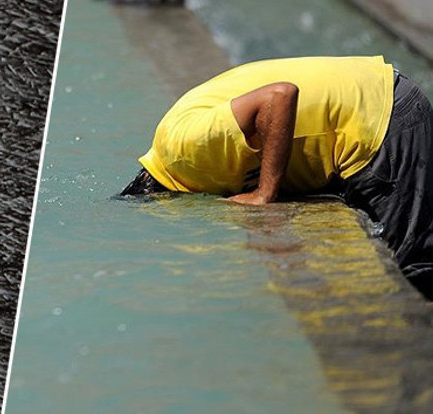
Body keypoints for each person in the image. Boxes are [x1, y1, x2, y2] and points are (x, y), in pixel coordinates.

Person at [121, 56, 433, 299]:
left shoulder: (183, 150)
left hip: (379, 119)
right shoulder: (178, 148)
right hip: (372, 100)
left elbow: (280, 96)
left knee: (412, 275)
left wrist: (264, 193)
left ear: (161, 197)